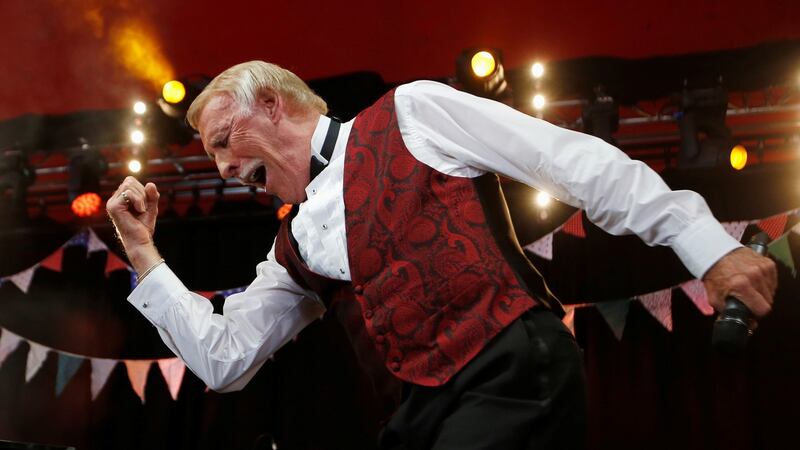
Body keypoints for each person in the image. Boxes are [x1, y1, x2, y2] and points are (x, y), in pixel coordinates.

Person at [107, 61, 777, 450]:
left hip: (512, 373)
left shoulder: (410, 113)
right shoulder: (293, 247)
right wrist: (142, 250)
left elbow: (572, 163)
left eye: (225, 139)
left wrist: (707, 246)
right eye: (212, 156)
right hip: (419, 419)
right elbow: (224, 360)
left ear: (275, 106)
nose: (222, 166)